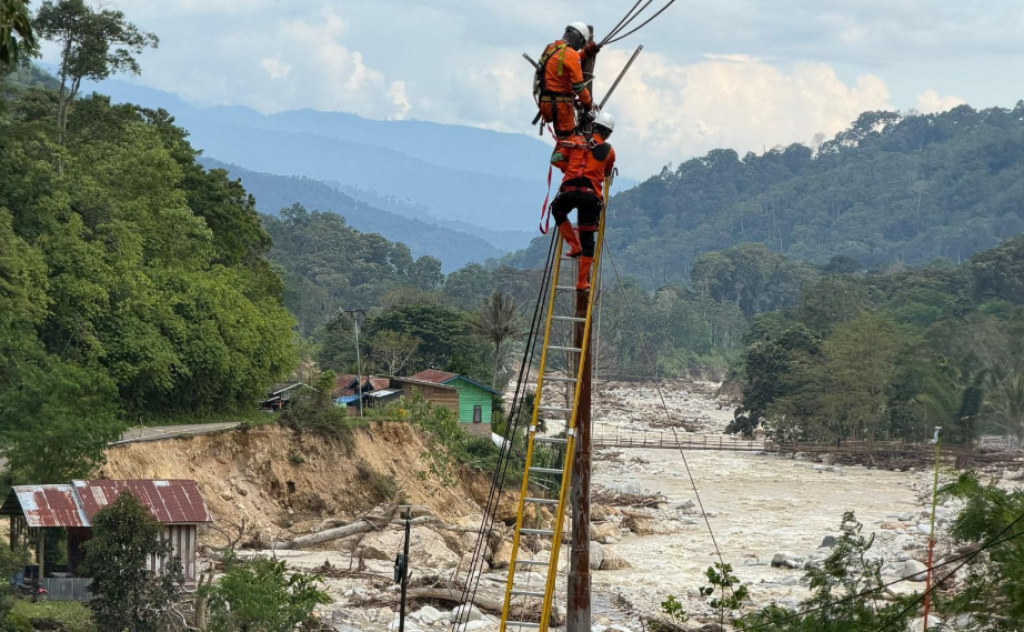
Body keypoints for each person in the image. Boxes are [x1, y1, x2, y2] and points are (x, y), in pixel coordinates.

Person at [549, 111, 616, 291]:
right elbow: (607, 172)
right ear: (608, 134)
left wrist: (569, 168)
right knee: (588, 237)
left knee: (558, 210)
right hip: (590, 196)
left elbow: (555, 159)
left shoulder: (574, 141)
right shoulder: (609, 151)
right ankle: (581, 282)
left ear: (593, 126)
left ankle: (574, 244)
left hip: (569, 190)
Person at [535, 22, 601, 138]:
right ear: (578, 38)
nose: (579, 48)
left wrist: (586, 52)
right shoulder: (570, 55)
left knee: (565, 141)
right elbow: (579, 87)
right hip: (561, 107)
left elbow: (568, 61)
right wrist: (588, 107)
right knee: (569, 143)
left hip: (546, 103)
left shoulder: (551, 48)